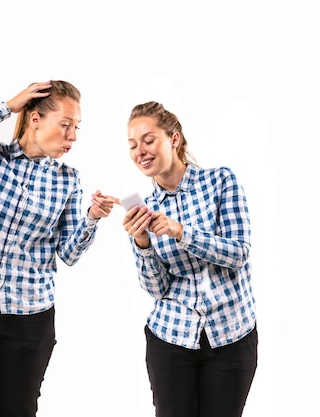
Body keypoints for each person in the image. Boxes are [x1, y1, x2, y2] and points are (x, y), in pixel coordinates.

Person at [0, 80, 119, 417]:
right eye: (65, 125)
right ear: (35, 119)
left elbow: (68, 254)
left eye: (77, 128)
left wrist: (92, 217)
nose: (73, 137)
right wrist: (8, 106)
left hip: (29, 320)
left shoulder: (68, 180)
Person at [121, 101, 258, 417]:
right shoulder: (147, 207)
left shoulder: (220, 181)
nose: (139, 151)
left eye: (148, 139)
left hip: (231, 337)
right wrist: (141, 242)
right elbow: (156, 289)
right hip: (170, 339)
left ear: (174, 139)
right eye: (132, 145)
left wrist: (181, 232)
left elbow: (238, 253)